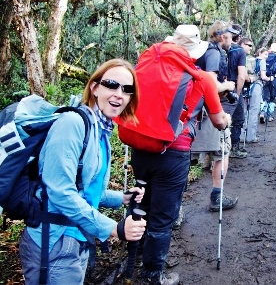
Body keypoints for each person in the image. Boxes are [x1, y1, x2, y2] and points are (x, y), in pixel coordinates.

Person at [19, 59, 147, 285]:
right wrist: (113, 228)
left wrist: (122, 197)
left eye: (127, 90)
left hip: (75, 238)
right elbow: (60, 192)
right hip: (53, 242)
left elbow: (85, 189)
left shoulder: (101, 129)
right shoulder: (73, 123)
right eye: (112, 85)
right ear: (94, 88)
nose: (119, 94)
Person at [131, 24, 231, 285]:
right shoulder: (202, 78)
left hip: (139, 147)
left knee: (143, 202)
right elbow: (219, 121)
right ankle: (153, 275)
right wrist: (227, 120)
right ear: (195, 50)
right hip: (173, 154)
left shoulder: (145, 67)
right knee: (163, 217)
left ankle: (134, 255)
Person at [192, 20, 241, 212]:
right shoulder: (213, 52)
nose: (232, 41)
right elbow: (210, 84)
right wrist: (228, 86)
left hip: (192, 112)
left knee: (184, 159)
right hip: (207, 111)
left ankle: (175, 210)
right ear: (222, 36)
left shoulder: (199, 51)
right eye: (230, 37)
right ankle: (217, 197)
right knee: (222, 153)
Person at [227, 32, 254, 157]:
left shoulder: (220, 48)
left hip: (219, 87)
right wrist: (237, 94)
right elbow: (241, 76)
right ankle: (234, 148)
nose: (250, 48)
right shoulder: (239, 51)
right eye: (249, 45)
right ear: (239, 39)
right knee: (238, 119)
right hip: (233, 88)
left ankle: (212, 153)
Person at [246, 47, 268, 143]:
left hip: (248, 85)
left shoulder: (252, 60)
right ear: (260, 53)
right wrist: (270, 78)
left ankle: (243, 135)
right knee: (254, 110)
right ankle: (251, 136)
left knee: (246, 110)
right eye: (265, 54)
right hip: (257, 85)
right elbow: (263, 76)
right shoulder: (262, 62)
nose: (266, 56)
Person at [260, 43, 276, 123]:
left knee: (265, 96)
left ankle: (262, 112)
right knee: (272, 97)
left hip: (266, 78)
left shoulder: (265, 56)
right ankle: (270, 116)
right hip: (275, 78)